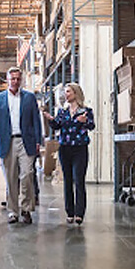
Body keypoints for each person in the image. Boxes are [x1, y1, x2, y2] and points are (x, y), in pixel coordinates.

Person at [0, 67, 42, 224]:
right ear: (7, 80)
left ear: (21, 80)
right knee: (10, 179)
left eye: (18, 78)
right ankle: (13, 212)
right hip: (6, 141)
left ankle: (26, 209)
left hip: (26, 141)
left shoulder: (29, 98)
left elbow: (36, 121)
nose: (15, 81)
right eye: (12, 79)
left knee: (27, 174)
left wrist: (39, 141)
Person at [43, 83, 95, 225]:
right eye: (65, 92)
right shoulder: (62, 112)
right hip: (65, 149)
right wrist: (50, 120)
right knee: (67, 180)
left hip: (80, 148)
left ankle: (79, 213)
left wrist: (84, 121)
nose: (66, 95)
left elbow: (91, 125)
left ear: (76, 93)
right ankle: (69, 212)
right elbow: (57, 126)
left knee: (79, 180)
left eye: (68, 92)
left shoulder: (86, 111)